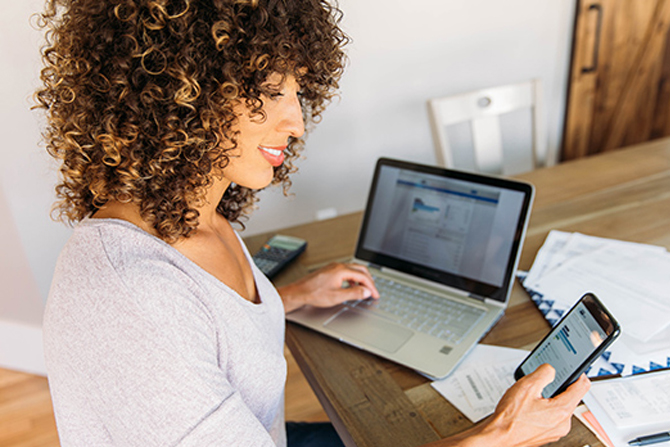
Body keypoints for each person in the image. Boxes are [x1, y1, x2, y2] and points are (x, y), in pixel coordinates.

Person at [35, 0, 590, 446]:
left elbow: (207, 324)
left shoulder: (191, 216)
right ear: (180, 93)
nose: (297, 122)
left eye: (298, 92)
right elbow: (168, 326)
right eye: (272, 92)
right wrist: (499, 435)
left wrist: (290, 296)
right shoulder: (131, 300)